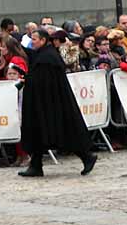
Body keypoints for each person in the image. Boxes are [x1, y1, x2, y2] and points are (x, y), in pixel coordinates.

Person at [19, 29, 97, 178]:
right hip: (45, 103)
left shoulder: (47, 58)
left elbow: (43, 81)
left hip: (52, 104)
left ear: (43, 40)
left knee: (64, 132)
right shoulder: (43, 55)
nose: (32, 41)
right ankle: (36, 165)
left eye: (34, 39)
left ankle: (87, 157)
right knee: (39, 132)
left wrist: (28, 80)